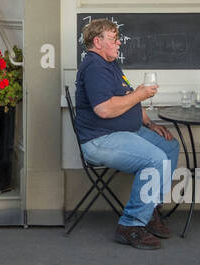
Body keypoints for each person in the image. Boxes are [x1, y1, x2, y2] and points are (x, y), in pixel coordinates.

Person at [72, 19, 180, 250]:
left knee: (169, 146)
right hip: (100, 139)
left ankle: (149, 210)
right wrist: (139, 95)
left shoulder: (110, 64)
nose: (119, 42)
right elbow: (105, 109)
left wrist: (150, 124)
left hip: (124, 131)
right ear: (98, 41)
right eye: (114, 38)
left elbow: (125, 97)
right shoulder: (94, 67)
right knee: (155, 159)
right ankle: (130, 225)